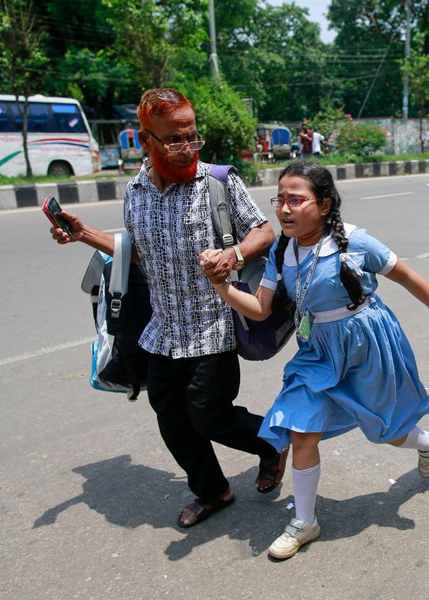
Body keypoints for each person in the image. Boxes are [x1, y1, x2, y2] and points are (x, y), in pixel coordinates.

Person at [199, 160, 429, 560]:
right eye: (280, 200)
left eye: (297, 200)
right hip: (318, 351)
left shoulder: (356, 242)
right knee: (299, 428)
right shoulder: (281, 250)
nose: (285, 210)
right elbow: (259, 309)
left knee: (388, 430)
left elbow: (406, 276)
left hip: (367, 343)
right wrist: (220, 284)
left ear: (325, 205)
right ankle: (305, 521)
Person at [49, 88, 287, 529]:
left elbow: (263, 231)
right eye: (174, 139)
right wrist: (85, 234)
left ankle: (271, 443)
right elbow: (137, 252)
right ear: (145, 141)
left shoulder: (218, 180)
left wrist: (232, 256)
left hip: (213, 325)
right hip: (162, 330)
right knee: (172, 419)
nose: (186, 148)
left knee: (211, 415)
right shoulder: (135, 190)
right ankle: (213, 490)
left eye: (192, 137)